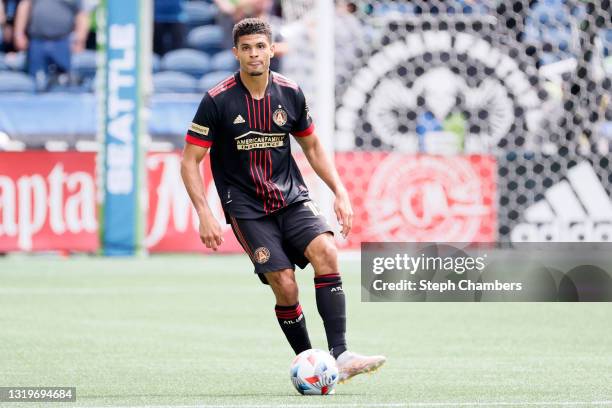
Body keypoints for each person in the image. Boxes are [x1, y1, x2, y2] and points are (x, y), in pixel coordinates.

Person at [181, 17, 386, 383]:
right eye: (246, 48)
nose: (254, 54)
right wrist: (204, 213)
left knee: (326, 251)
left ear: (272, 49)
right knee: (285, 283)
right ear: (236, 53)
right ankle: (310, 363)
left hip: (290, 197)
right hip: (246, 208)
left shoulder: (290, 93)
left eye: (261, 46)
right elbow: (190, 161)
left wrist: (340, 191)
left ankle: (339, 355)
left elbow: (312, 146)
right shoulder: (217, 100)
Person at [13, 0, 89, 88]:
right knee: (34, 80)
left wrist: (80, 39)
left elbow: (81, 14)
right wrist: (19, 34)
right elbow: (24, 7)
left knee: (65, 80)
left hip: (62, 42)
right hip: (37, 42)